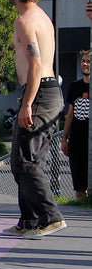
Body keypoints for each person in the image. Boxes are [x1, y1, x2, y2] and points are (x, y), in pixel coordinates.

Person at [0, 0, 66, 238]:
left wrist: (26, 104)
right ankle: (28, 220)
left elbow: (36, 64)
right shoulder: (42, 16)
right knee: (30, 161)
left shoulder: (24, 20)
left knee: (22, 163)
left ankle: (51, 216)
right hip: (50, 93)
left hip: (39, 93)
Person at [61, 50, 90, 200]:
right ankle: (81, 205)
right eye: (83, 61)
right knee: (79, 184)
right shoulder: (74, 87)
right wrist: (64, 138)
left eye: (88, 61)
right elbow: (70, 114)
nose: (85, 64)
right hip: (77, 140)